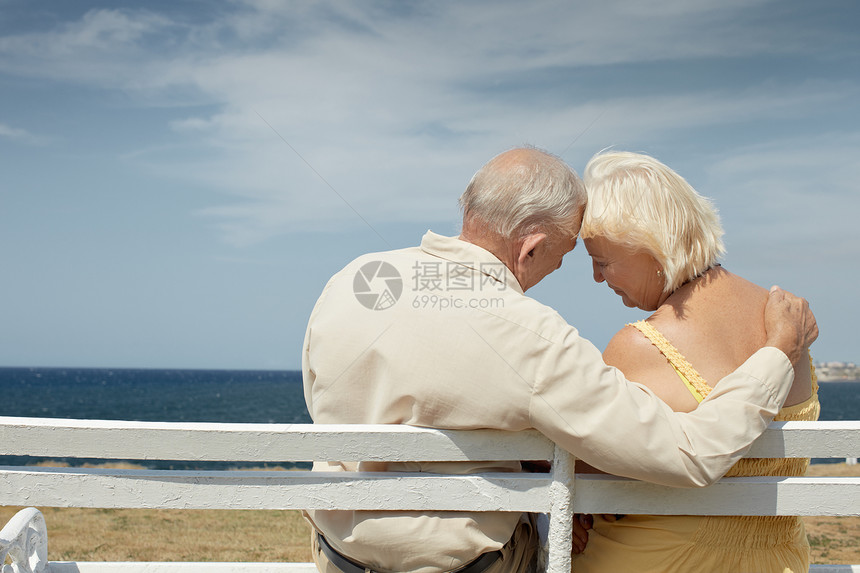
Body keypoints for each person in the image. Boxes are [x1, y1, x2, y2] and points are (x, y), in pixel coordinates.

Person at [301, 147, 817, 573]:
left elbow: (328, 395)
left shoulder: (354, 281)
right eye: (568, 255)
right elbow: (687, 454)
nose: (580, 274)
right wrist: (778, 354)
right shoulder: (529, 334)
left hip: (338, 555)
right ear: (532, 248)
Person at [571, 150, 820, 573]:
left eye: (603, 262)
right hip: (782, 559)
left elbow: (585, 474)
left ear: (653, 249)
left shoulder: (641, 345)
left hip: (667, 560)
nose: (597, 278)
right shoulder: (788, 321)